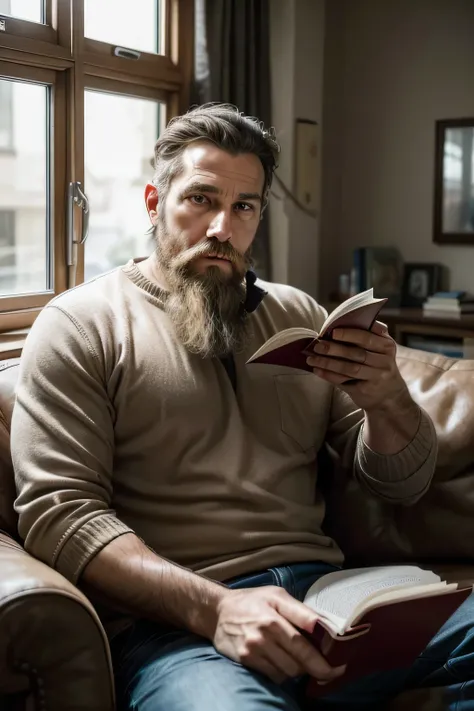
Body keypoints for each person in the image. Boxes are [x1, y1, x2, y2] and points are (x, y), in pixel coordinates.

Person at [11, 103, 473, 711]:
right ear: (154, 202)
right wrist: (218, 607)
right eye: (200, 200)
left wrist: (389, 401)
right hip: (180, 629)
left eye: (243, 207)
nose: (221, 228)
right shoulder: (81, 324)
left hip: (330, 600)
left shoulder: (301, 316)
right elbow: (59, 516)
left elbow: (399, 485)